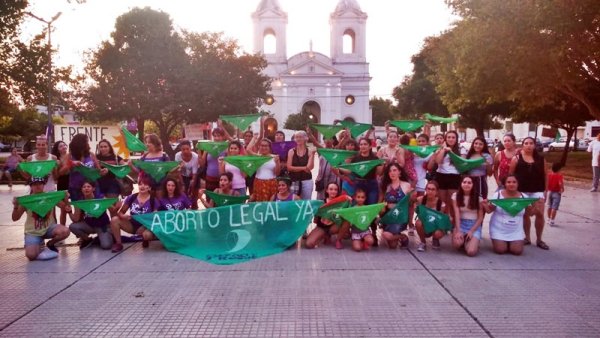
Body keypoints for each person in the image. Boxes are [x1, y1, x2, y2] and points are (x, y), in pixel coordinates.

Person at [12, 177, 71, 260]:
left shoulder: (49, 196)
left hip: (49, 228)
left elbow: (65, 208)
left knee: (65, 231)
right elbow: (15, 218)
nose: (37, 186)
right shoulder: (27, 200)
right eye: (35, 184)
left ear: (44, 185)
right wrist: (15, 207)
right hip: (33, 231)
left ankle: (50, 244)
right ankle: (39, 245)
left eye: (40, 184)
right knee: (31, 256)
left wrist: (66, 198)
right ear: (31, 186)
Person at [509, 137, 548, 250]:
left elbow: (546, 175)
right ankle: (527, 238)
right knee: (525, 215)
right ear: (523, 145)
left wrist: (546, 190)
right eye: (526, 143)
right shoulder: (516, 159)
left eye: (531, 143)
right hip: (522, 191)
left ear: (535, 145)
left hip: (538, 190)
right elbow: (511, 176)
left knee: (540, 214)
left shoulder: (541, 159)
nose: (529, 145)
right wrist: (513, 192)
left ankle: (539, 239)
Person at [110, 177, 157, 252]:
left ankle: (145, 239)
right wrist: (123, 216)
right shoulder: (132, 197)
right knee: (114, 220)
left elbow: (155, 218)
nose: (142, 186)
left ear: (150, 188)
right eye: (140, 184)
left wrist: (145, 226)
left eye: (145, 184)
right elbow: (120, 212)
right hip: (132, 224)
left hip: (146, 226)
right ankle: (118, 243)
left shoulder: (153, 200)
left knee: (147, 235)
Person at [69, 180, 118, 250]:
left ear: (93, 189)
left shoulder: (101, 198)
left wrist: (118, 206)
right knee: (72, 226)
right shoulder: (80, 202)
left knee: (106, 246)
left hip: (102, 226)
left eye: (88, 186)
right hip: (89, 225)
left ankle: (106, 235)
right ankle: (87, 239)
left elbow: (113, 210)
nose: (86, 188)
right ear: (81, 190)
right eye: (84, 187)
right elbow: (75, 219)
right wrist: (69, 212)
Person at [484, 175, 527, 255]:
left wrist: (536, 206)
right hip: (499, 229)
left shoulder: (524, 197)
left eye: (514, 182)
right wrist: (484, 204)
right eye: (509, 182)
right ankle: (500, 240)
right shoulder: (498, 195)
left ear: (518, 184)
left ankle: (512, 242)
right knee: (500, 250)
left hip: (515, 230)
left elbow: (530, 213)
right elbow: (489, 211)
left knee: (517, 251)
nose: (511, 184)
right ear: (505, 184)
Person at [337, 137, 383, 205]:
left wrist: (382, 164)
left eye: (365, 144)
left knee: (371, 204)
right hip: (359, 184)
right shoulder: (355, 158)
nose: (363, 146)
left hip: (372, 184)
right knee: (358, 205)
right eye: (361, 144)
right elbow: (350, 172)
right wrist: (338, 167)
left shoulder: (375, 158)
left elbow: (379, 173)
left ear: (370, 146)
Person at [305, 182, 350, 249]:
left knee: (347, 221)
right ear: (327, 190)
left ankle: (338, 240)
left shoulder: (341, 202)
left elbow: (349, 211)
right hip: (322, 227)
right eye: (331, 189)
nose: (333, 191)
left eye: (335, 190)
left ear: (338, 191)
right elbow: (314, 215)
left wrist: (349, 199)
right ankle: (325, 235)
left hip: (334, 226)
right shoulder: (321, 202)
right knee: (309, 244)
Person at [433, 131, 465, 221]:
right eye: (449, 137)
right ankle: (443, 222)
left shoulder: (461, 148)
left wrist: (452, 153)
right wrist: (443, 150)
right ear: (445, 139)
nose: (451, 139)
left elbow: (461, 164)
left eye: (453, 137)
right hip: (441, 176)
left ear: (456, 139)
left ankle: (454, 224)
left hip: (454, 176)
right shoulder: (440, 148)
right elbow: (438, 161)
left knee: (452, 202)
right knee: (442, 202)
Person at [379, 163, 413, 249]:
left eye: (394, 170)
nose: (392, 173)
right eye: (390, 171)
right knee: (392, 245)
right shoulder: (386, 186)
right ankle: (401, 236)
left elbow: (410, 204)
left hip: (400, 218)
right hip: (388, 217)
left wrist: (410, 221)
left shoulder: (406, 185)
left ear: (399, 172)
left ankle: (402, 237)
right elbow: (380, 202)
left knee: (386, 235)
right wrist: (382, 208)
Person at [451, 176, 484, 257]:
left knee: (471, 252)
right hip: (461, 223)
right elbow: (457, 214)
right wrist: (458, 230)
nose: (466, 184)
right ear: (461, 184)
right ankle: (465, 240)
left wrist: (472, 231)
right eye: (464, 182)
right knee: (456, 245)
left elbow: (480, 218)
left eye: (469, 183)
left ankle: (472, 241)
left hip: (474, 225)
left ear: (473, 185)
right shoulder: (455, 196)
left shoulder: (479, 198)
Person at [62, 134, 101, 201]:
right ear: (80, 143)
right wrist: (72, 163)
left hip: (91, 187)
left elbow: (99, 171)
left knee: (93, 208)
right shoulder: (70, 156)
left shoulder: (91, 154)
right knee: (79, 209)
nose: (87, 144)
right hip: (76, 187)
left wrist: (103, 171)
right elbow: (62, 172)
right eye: (86, 142)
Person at [415, 181, 446, 252]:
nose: (430, 191)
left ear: (437, 191)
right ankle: (423, 242)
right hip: (425, 225)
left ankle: (435, 239)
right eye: (428, 189)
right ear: (425, 190)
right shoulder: (420, 200)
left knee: (438, 232)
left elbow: (440, 220)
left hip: (435, 226)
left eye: (433, 189)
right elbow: (418, 213)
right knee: (418, 223)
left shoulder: (441, 203)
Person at [287, 131, 315, 200]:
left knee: (306, 201)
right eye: (296, 137)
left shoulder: (309, 151)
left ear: (306, 138)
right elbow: (289, 167)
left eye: (300, 137)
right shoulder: (291, 151)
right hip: (294, 180)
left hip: (307, 180)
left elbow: (310, 167)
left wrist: (312, 155)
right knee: (293, 201)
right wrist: (304, 168)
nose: (298, 139)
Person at [200, 128, 227, 193]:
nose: (216, 138)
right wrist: (199, 150)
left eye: (219, 136)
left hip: (223, 180)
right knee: (209, 199)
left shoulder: (226, 148)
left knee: (220, 200)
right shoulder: (208, 147)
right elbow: (202, 164)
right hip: (209, 178)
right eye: (215, 136)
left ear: (223, 137)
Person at [174, 140, 199, 207]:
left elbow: (195, 172)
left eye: (187, 149)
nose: (185, 151)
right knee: (183, 192)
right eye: (183, 149)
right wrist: (182, 184)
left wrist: (192, 183)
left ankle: (194, 206)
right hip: (182, 176)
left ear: (190, 148)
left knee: (193, 193)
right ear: (180, 149)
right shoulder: (177, 156)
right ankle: (184, 207)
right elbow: (178, 171)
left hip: (193, 175)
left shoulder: (195, 157)